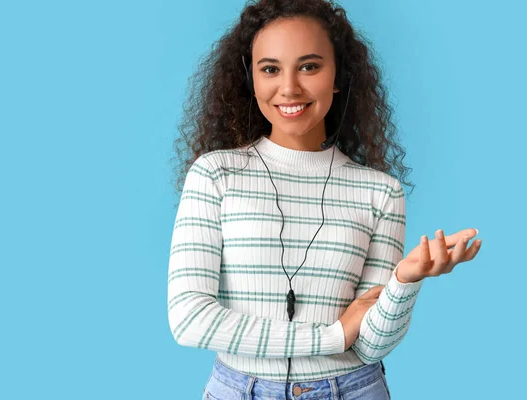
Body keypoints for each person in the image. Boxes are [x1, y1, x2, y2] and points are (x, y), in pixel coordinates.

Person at [167, 1, 482, 399]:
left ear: (338, 76)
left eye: (309, 66)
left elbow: (370, 345)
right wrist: (332, 336)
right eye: (270, 69)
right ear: (251, 79)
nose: (289, 88)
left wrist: (405, 281)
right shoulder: (216, 175)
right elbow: (189, 319)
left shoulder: (380, 192)